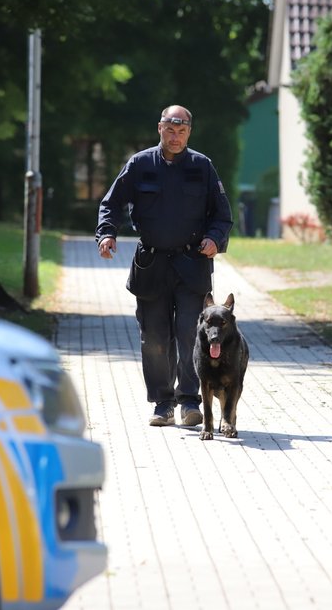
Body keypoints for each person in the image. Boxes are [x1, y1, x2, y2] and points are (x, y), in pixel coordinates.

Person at [95, 105, 233, 427]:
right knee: (154, 337)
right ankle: (162, 403)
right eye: (170, 130)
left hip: (192, 264)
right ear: (160, 128)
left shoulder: (202, 166)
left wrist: (214, 239)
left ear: (189, 132)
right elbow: (111, 203)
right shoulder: (140, 164)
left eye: (182, 131)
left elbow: (222, 215)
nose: (176, 136)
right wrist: (107, 234)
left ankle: (189, 401)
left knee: (189, 334)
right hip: (152, 263)